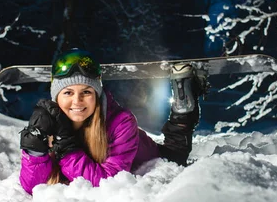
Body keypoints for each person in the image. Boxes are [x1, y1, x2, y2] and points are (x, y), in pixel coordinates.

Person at [19, 48, 208, 193]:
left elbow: (108, 182)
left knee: (175, 152)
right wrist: (35, 151)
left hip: (155, 159)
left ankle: (185, 105)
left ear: (97, 95)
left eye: (86, 92)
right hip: (125, 151)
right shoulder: (48, 122)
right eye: (68, 92)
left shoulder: (122, 122)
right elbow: (33, 187)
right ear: (56, 97)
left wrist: (67, 148)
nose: (77, 101)